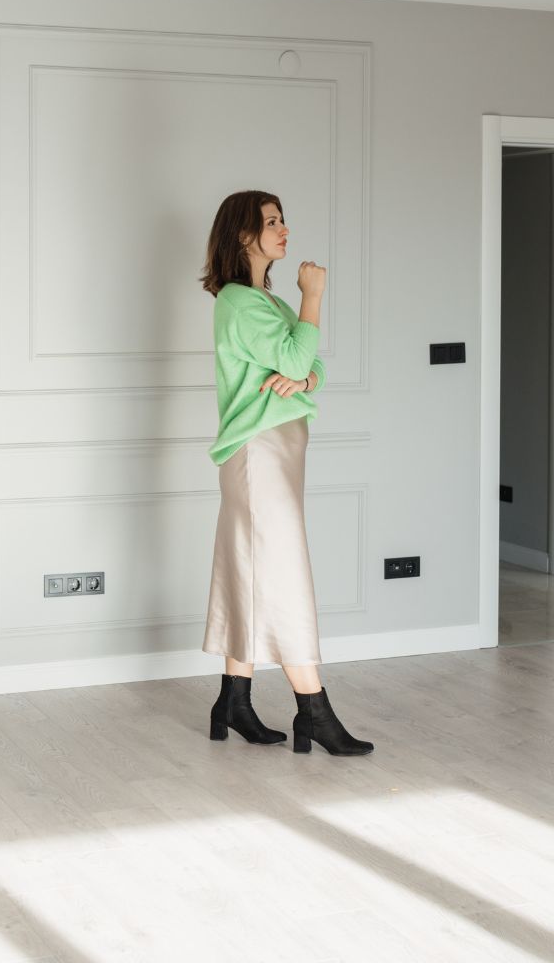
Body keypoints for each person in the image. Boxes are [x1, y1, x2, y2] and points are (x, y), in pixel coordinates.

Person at [199, 190, 374, 756]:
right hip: (259, 456)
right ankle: (313, 711)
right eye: (271, 222)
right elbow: (301, 353)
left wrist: (303, 380)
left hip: (275, 453)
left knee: (249, 568)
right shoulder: (239, 302)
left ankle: (234, 698)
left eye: (282, 219)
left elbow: (311, 363)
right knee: (282, 573)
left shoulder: (264, 304)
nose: (284, 229)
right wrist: (314, 296)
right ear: (243, 234)